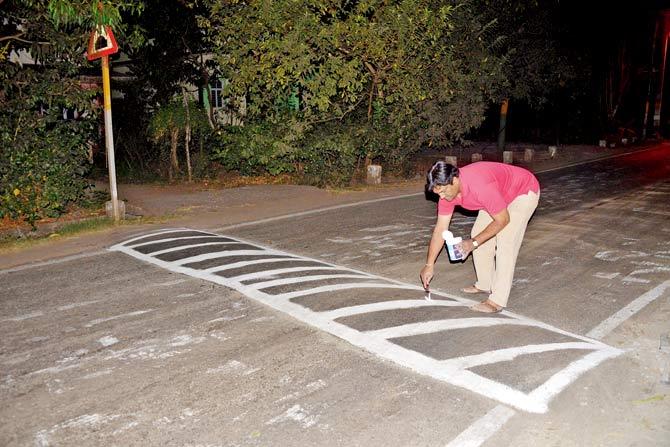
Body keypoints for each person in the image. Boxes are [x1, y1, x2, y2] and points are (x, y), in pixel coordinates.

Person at [419, 161, 540, 313]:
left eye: (443, 191)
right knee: (478, 234)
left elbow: (503, 220)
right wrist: (429, 265)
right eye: (438, 193)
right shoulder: (446, 194)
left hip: (523, 191)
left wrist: (473, 243)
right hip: (498, 195)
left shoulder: (479, 186)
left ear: (455, 180)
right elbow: (440, 230)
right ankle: (485, 283)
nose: (441, 197)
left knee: (505, 241)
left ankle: (497, 301)